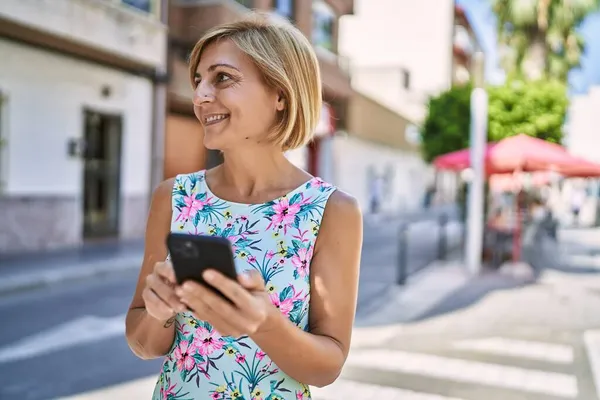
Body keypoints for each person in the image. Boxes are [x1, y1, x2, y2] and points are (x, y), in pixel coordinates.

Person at [125, 14, 363, 400]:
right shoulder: (173, 197)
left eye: (222, 77)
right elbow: (143, 343)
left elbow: (327, 366)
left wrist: (264, 323)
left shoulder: (332, 210)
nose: (201, 95)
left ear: (280, 94)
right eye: (198, 80)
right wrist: (159, 311)